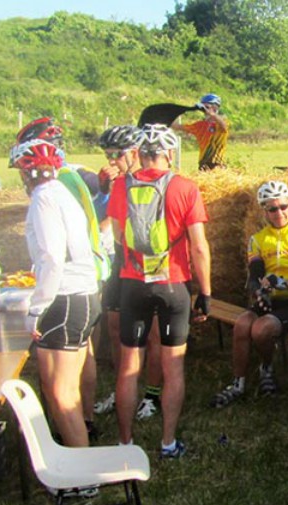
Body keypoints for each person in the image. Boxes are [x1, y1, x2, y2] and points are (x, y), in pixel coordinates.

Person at [106, 124, 212, 459]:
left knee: (127, 367)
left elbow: (120, 238)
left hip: (133, 283)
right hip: (173, 284)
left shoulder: (121, 186)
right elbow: (199, 247)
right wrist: (205, 292)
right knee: (173, 366)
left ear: (140, 152)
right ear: (170, 153)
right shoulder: (185, 187)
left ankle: (125, 443)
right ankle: (168, 442)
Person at [11, 139, 100, 450]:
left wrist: (36, 308)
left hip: (64, 298)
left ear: (27, 174)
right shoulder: (62, 192)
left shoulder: (43, 199)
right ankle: (73, 453)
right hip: (82, 294)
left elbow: (51, 257)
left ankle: (82, 472)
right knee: (61, 388)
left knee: (61, 393)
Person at [210, 181, 288, 407]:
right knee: (242, 324)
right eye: (272, 209)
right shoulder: (258, 239)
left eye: (283, 206)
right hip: (271, 299)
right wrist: (258, 291)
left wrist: (282, 284)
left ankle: (266, 369)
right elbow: (255, 272)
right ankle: (238, 383)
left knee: (262, 329)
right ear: (264, 211)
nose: (279, 212)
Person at [92, 125, 165, 423]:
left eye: (116, 154)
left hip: (151, 264)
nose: (111, 160)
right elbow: (109, 221)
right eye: (107, 154)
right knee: (114, 328)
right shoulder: (119, 183)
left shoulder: (154, 181)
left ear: (134, 153)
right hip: (122, 263)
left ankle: (152, 394)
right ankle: (125, 388)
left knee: (153, 334)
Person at [171, 93, 228, 171]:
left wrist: (212, 114)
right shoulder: (200, 125)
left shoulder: (222, 123)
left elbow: (224, 127)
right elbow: (177, 126)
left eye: (207, 107)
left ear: (215, 107)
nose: (204, 110)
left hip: (218, 164)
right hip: (203, 165)